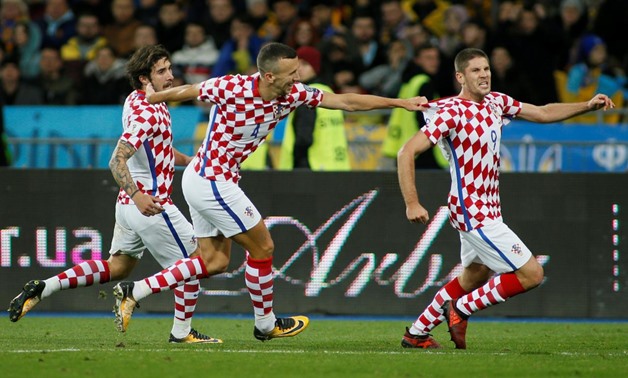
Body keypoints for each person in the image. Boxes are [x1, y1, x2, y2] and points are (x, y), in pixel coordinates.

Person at [111, 42, 426, 342]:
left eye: (298, 71)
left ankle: (136, 291)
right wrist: (151, 99)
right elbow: (190, 90)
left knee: (215, 262)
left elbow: (346, 101)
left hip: (208, 178)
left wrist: (399, 103)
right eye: (292, 74)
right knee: (263, 247)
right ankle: (266, 324)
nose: (298, 79)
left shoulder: (292, 95)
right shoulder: (232, 87)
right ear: (269, 75)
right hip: (211, 180)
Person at [397, 47, 614, 349]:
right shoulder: (451, 113)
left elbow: (542, 112)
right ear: (460, 76)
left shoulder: (496, 102)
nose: (484, 74)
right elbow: (406, 151)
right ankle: (461, 309)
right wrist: (412, 201)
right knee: (532, 274)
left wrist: (586, 106)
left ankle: (417, 333)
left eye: (486, 69)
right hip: (472, 210)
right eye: (476, 70)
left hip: (489, 209)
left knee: (474, 275)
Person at [8, 44, 220, 344]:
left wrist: (190, 160)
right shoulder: (148, 114)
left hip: (126, 207)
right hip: (149, 204)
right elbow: (116, 159)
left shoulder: (137, 101)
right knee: (194, 263)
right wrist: (138, 195)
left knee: (117, 267)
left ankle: (45, 286)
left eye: (170, 68)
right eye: (162, 71)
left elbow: (157, 149)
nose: (170, 76)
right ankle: (180, 332)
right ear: (144, 78)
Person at [279, 45, 349, 170]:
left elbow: (304, 138)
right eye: (296, 65)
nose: (299, 70)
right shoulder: (328, 92)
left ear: (315, 67)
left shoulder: (307, 95)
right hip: (337, 166)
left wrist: (296, 165)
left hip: (311, 168)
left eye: (305, 65)